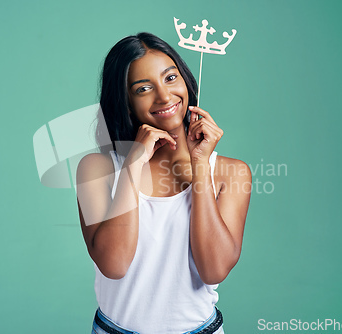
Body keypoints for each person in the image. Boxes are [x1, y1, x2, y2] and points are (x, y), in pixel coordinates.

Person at [76, 32, 251, 334]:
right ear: (126, 102)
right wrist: (133, 163)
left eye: (171, 78)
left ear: (185, 81)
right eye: (143, 88)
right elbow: (114, 265)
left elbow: (213, 270)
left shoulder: (231, 173)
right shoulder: (97, 169)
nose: (164, 97)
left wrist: (199, 166)